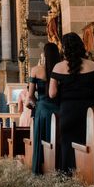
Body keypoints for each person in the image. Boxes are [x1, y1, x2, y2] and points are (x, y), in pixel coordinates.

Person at [49, 33, 94, 172]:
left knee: (67, 146)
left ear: (64, 49)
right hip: (88, 112)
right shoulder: (92, 65)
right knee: (88, 144)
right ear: (81, 46)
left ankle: (68, 178)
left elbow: (52, 93)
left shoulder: (58, 67)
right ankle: (88, 176)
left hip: (67, 111)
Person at [28, 42, 61, 174]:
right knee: (56, 141)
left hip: (42, 109)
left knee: (40, 142)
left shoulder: (36, 70)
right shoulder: (61, 68)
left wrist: (39, 103)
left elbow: (30, 96)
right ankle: (56, 169)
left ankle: (39, 171)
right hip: (58, 109)